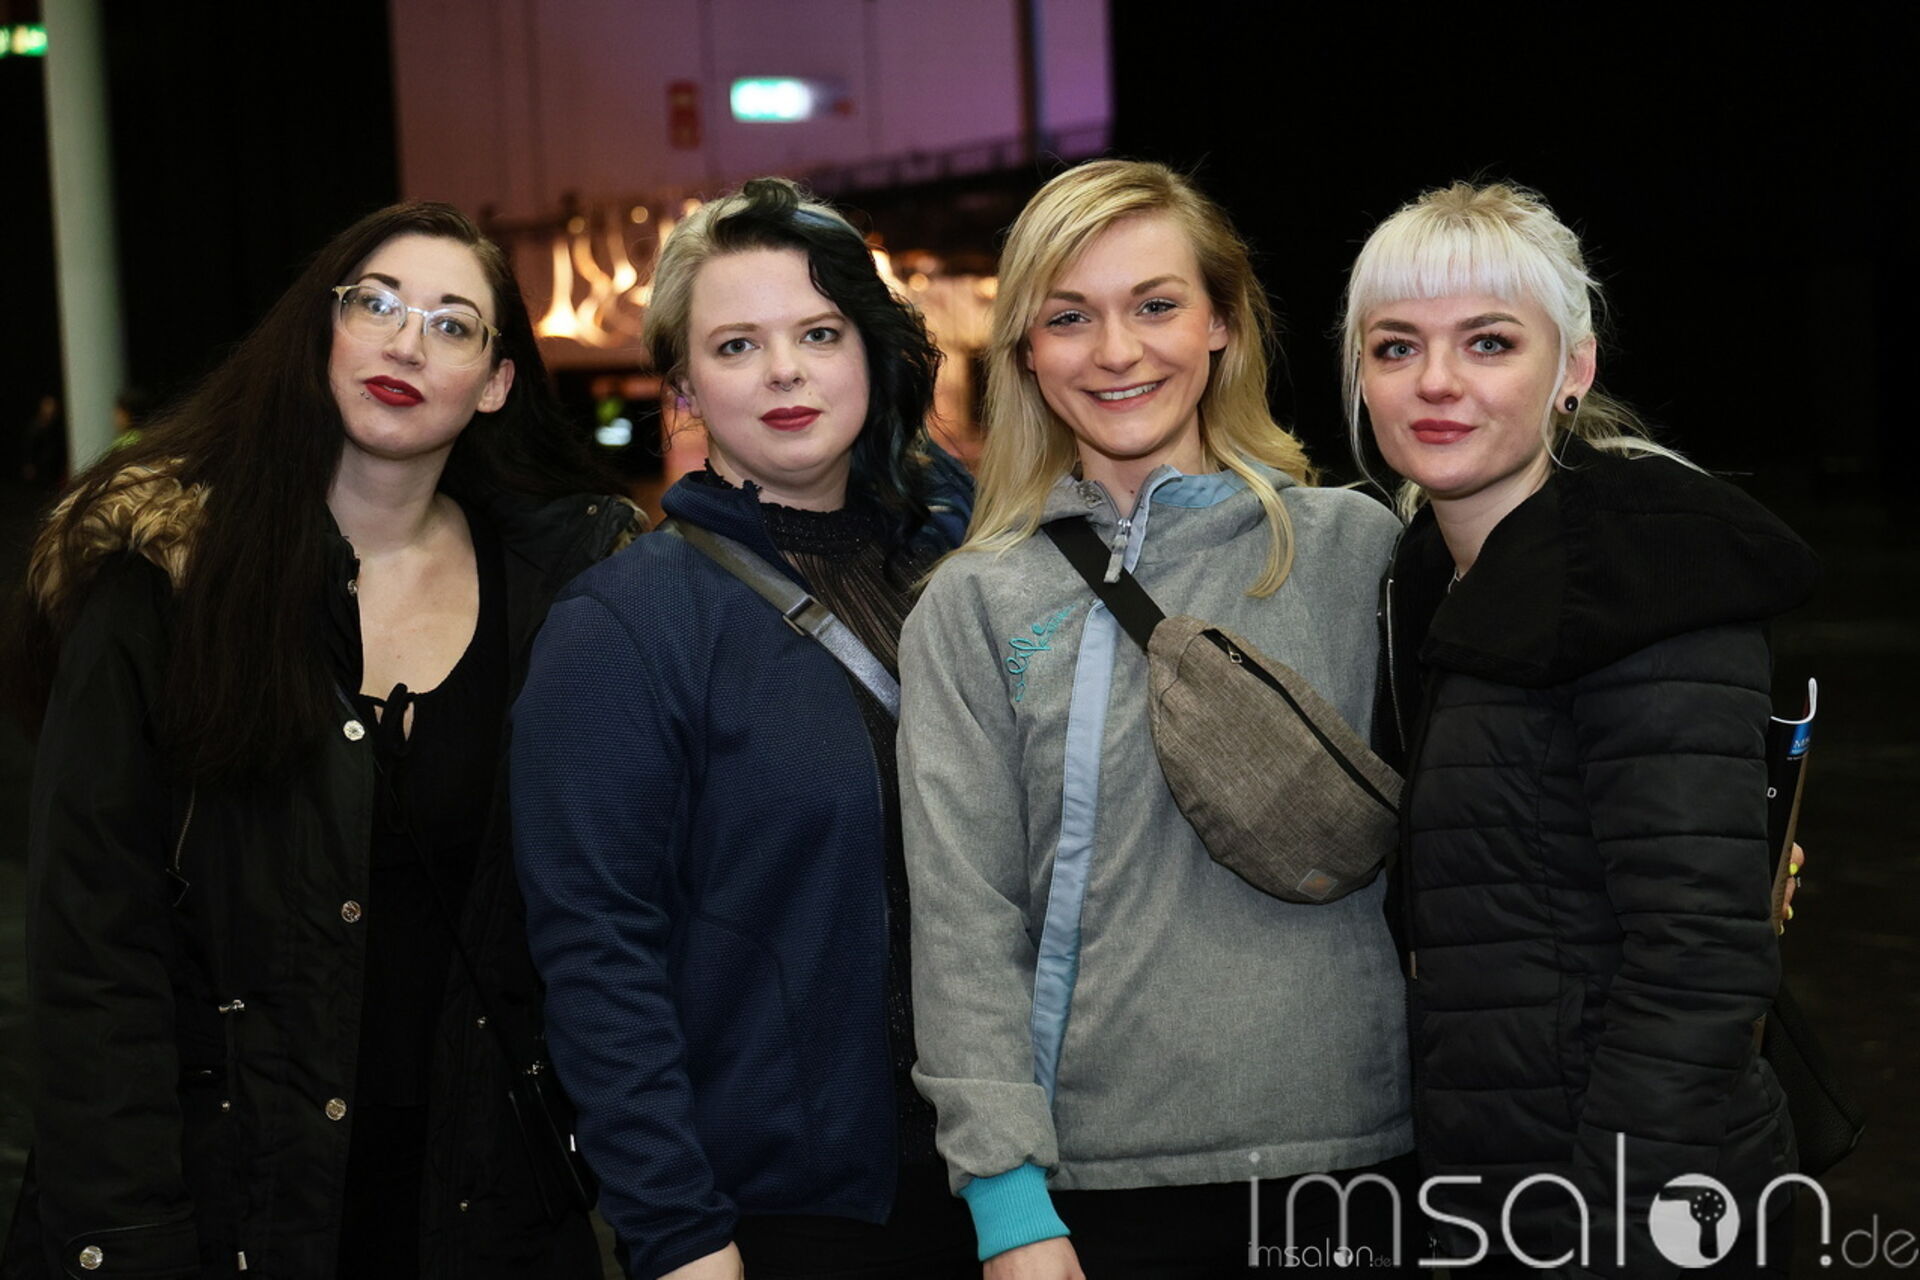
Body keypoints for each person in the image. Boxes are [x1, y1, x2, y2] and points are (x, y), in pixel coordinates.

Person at [4, 202, 636, 1280]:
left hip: (479, 1212)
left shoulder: (562, 595)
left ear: (495, 383)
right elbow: (93, 950)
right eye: (375, 305)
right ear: (321, 333)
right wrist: (132, 1235)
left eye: (452, 323)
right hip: (222, 1206)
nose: (406, 344)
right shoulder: (166, 583)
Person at [898, 159, 1414, 1278]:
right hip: (1086, 1194)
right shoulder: (975, 602)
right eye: (1069, 318)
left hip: (1351, 1164)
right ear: (1025, 352)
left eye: (1155, 305)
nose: (1117, 351)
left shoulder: (1358, 551)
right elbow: (963, 922)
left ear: (1222, 321)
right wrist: (1007, 1203)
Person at [510, 177, 978, 1280]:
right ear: (680, 383)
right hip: (783, 1215)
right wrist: (677, 1230)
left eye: (819, 332)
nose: (785, 371)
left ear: (871, 351)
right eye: (736, 345)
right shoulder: (627, 625)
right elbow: (597, 956)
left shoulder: (967, 572)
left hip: (1017, 1179)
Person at [1344, 181, 1815, 1276]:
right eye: (1396, 346)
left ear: (1575, 368)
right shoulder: (1426, 577)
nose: (1437, 381)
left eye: (1490, 342)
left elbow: (1698, 959)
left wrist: (1614, 1228)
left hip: (1629, 1203)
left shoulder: (1645, 577)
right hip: (1494, 1183)